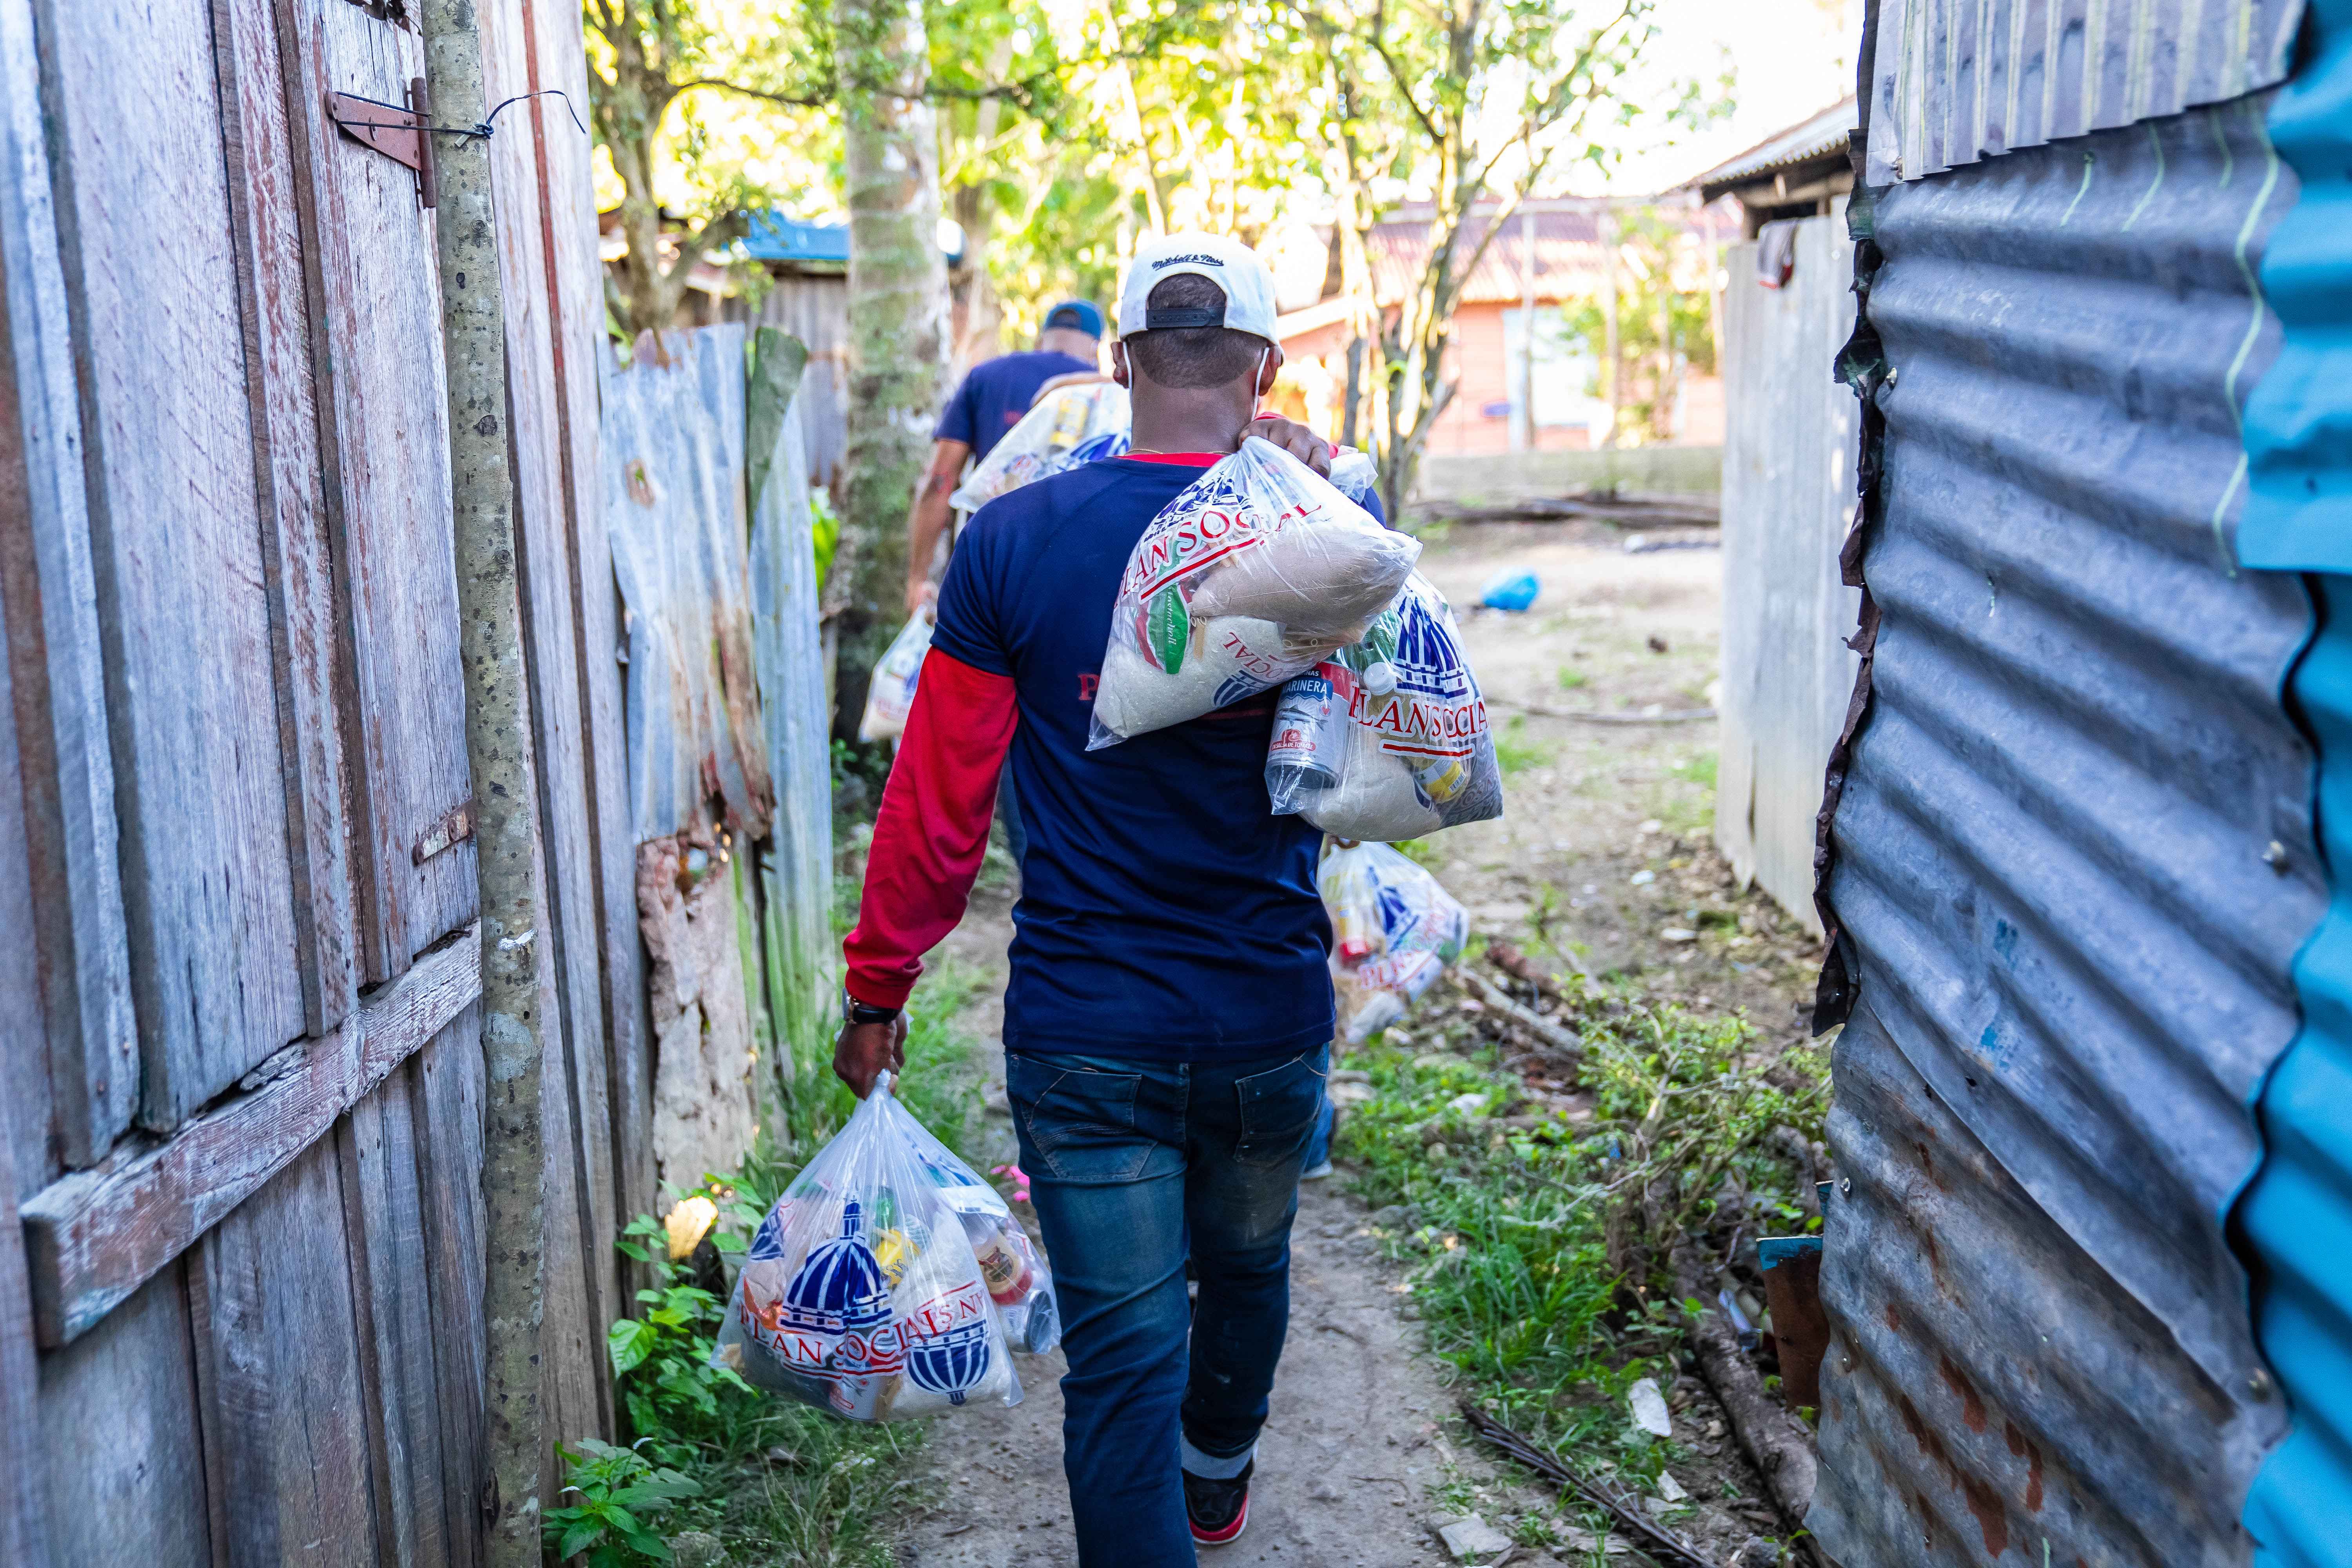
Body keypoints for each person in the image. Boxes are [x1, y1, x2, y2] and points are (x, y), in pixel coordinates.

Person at [835, 232, 1380, 1563]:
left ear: (1121, 364)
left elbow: (939, 801)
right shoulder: (1332, 538)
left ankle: (1178, 1483)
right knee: (1247, 1268)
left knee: (1125, 1363)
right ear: (1266, 368)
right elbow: (1402, 758)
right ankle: (1218, 1473)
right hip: (1266, 1015)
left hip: (1086, 1029)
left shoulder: (1013, 541)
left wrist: (879, 989)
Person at [904, 299, 1108, 621]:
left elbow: (940, 481)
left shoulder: (985, 376)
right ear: (1097, 349)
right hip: (1072, 580)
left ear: (1040, 341)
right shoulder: (1109, 395)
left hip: (985, 570)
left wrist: (918, 578)